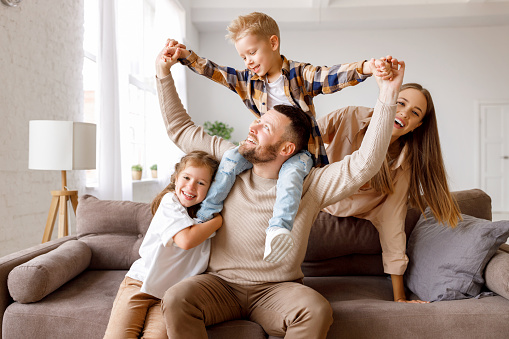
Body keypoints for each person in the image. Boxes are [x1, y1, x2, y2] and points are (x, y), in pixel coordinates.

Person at [156, 39, 404, 338]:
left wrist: (388, 94)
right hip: (220, 284)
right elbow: (181, 130)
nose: (253, 128)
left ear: (287, 148)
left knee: (316, 309)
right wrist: (163, 74)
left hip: (278, 291)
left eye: (265, 128)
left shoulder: (311, 184)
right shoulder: (229, 163)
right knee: (176, 298)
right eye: (257, 121)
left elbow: (365, 163)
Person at [164, 12, 393, 263]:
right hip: (266, 150)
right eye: (243, 56)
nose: (248, 61)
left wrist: (369, 67)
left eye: (252, 52)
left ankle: (279, 228)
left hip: (300, 153)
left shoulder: (299, 75)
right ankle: (206, 215)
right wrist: (187, 57)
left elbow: (331, 76)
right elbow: (216, 72)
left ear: (273, 43)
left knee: (291, 176)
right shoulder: (247, 80)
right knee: (230, 157)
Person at [317, 83, 462, 303]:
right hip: (317, 195)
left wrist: (399, 297)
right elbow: (305, 137)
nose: (404, 112)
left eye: (415, 113)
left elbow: (393, 220)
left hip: (362, 208)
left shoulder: (403, 164)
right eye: (401, 103)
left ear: (417, 126)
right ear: (387, 100)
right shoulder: (350, 117)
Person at [103, 151, 222, 339]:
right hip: (140, 282)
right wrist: (218, 222)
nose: (191, 186)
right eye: (187, 177)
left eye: (201, 183)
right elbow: (185, 240)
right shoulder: (170, 202)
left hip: (171, 296)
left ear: (212, 188)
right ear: (176, 178)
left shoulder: (206, 215)